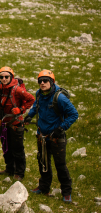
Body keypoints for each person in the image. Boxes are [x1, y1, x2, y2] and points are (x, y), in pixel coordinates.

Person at [24, 70, 78, 202]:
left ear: (52, 82)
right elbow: (36, 106)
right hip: (42, 136)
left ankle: (66, 192)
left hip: (56, 138)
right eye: (40, 81)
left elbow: (73, 114)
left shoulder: (60, 98)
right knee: (43, 162)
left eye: (45, 81)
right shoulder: (39, 94)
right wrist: (29, 116)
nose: (42, 83)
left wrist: (61, 128)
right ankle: (44, 187)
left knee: (60, 165)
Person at [0, 67, 35, 181]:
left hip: (16, 124)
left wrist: (21, 109)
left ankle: (19, 173)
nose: (4, 79)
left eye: (6, 77)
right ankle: (10, 168)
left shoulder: (18, 90)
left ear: (12, 77)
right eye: (1, 77)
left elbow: (31, 99)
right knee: (6, 147)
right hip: (3, 123)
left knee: (17, 149)